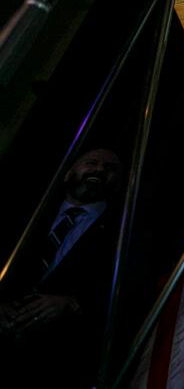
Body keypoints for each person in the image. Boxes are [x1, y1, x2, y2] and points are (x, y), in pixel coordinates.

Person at [0, 147, 123, 388]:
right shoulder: (27, 214)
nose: (99, 169)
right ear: (68, 172)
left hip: (57, 358)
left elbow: (125, 291)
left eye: (109, 168)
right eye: (91, 162)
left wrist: (73, 303)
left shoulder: (122, 234)